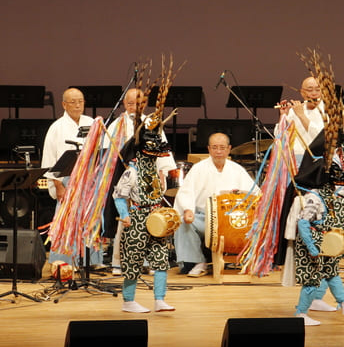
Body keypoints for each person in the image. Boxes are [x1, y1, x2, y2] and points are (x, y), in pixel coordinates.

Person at [107, 88, 176, 275]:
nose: (134, 107)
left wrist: (162, 173)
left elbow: (161, 150)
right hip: (128, 176)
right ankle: (119, 262)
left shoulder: (152, 123)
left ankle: (149, 261)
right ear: (124, 104)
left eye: (138, 103)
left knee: (151, 220)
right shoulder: (116, 125)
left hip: (149, 176)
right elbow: (108, 155)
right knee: (126, 220)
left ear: (144, 104)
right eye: (130, 103)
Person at [173, 132, 259, 277]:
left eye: (222, 147)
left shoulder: (237, 170)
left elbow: (254, 193)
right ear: (208, 149)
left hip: (231, 220)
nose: (218, 151)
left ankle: (246, 260)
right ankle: (197, 262)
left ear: (229, 148)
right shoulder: (199, 168)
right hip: (205, 218)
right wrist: (188, 209)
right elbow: (186, 192)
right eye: (214, 147)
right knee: (184, 222)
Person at [293, 159, 344, 326]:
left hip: (321, 241)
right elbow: (303, 223)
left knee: (330, 273)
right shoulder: (314, 198)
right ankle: (301, 313)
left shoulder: (326, 197)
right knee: (311, 280)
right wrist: (311, 247)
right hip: (310, 243)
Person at [113, 126, 177, 313]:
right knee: (133, 260)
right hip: (137, 218)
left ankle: (159, 299)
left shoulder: (155, 171)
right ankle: (128, 301)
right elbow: (118, 196)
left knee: (160, 259)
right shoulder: (131, 172)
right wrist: (125, 215)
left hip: (155, 217)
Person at [41, 87, 97, 266]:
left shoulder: (92, 122)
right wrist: (58, 186)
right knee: (66, 220)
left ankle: (91, 260)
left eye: (80, 101)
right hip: (66, 180)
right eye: (73, 102)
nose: (77, 105)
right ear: (64, 104)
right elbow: (50, 159)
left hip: (89, 180)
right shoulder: (56, 127)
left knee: (90, 218)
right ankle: (62, 260)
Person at [276, 76, 325, 167]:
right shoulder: (294, 110)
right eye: (310, 90)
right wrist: (283, 116)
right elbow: (279, 136)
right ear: (302, 93)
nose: (314, 93)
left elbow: (320, 137)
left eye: (318, 90)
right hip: (295, 158)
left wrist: (301, 115)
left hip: (319, 158)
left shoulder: (329, 111)